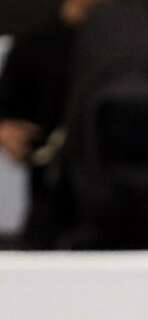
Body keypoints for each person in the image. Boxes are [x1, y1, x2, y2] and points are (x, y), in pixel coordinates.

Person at [0, 0, 101, 249]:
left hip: (118, 208)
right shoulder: (34, 44)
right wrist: (6, 132)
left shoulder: (130, 48)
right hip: (49, 208)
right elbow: (6, 114)